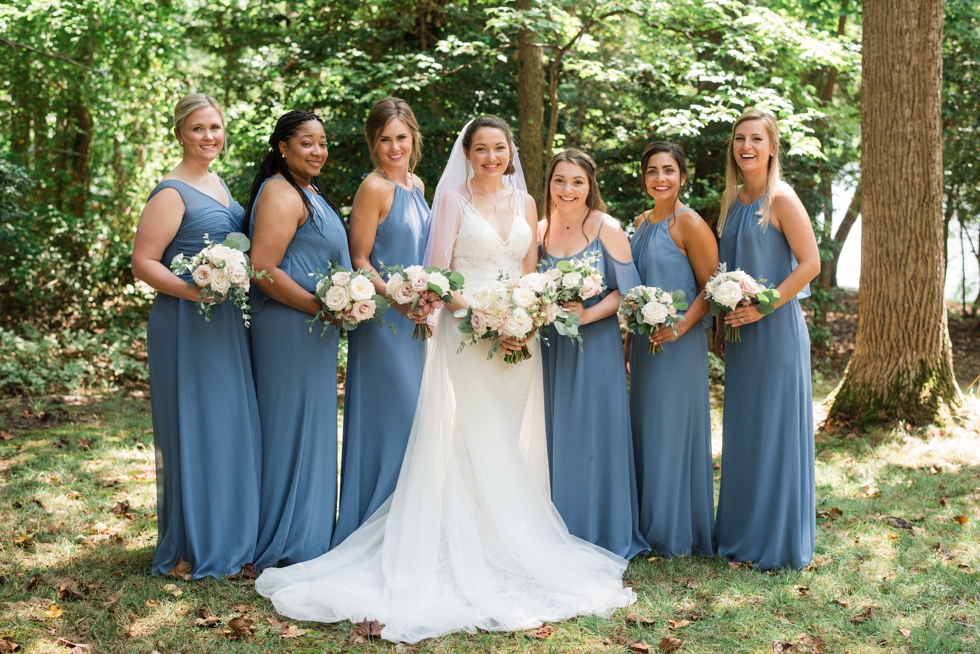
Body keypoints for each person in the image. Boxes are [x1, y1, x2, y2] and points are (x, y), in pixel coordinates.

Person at [256, 116, 635, 643]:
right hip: (467, 333)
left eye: (499, 148)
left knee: (509, 437)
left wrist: (524, 316)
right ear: (467, 152)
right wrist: (487, 315)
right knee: (468, 438)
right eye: (480, 148)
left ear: (510, 152)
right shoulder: (452, 201)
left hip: (521, 338)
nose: (491, 157)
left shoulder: (528, 205)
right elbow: (439, 275)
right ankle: (460, 544)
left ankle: (509, 541)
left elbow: (530, 273)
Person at [131, 93, 261, 578]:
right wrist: (194, 292)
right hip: (187, 321)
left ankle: (230, 534)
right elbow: (143, 261)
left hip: (224, 321)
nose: (210, 136)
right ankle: (190, 544)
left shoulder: (218, 183)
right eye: (199, 129)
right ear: (181, 133)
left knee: (225, 424)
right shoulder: (171, 191)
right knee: (195, 424)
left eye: (216, 127)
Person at [713, 108, 820, 570]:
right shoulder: (733, 201)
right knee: (746, 433)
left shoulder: (782, 198)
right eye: (740, 139)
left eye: (756, 138)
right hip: (740, 338)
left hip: (776, 333)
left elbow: (810, 264)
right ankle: (741, 536)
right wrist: (722, 321)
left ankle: (776, 543)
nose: (747, 147)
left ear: (772, 146)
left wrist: (764, 306)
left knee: (775, 432)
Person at [245, 110, 352, 569]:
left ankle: (308, 533)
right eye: (306, 142)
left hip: (314, 332)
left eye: (322, 142)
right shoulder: (280, 192)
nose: (318, 150)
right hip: (288, 328)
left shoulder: (310, 191)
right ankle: (285, 540)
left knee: (311, 429)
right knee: (289, 429)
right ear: (283, 146)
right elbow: (263, 269)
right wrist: (321, 308)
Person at [538, 149, 647, 559]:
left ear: (590, 186)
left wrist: (586, 316)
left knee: (594, 431)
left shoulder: (606, 227)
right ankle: (558, 526)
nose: (568, 189)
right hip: (551, 347)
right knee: (555, 431)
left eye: (577, 182)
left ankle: (601, 527)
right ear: (549, 183)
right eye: (560, 180)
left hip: (595, 344)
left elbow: (627, 291)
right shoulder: (539, 231)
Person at [333, 98, 430, 548]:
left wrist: (427, 297)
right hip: (385, 323)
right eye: (385, 139)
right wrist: (399, 298)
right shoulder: (373, 188)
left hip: (419, 323)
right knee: (397, 419)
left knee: (418, 424)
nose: (395, 147)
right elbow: (360, 260)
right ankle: (376, 526)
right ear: (374, 143)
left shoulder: (418, 184)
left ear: (414, 137)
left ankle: (411, 526)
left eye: (401, 138)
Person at [627, 142, 717, 558]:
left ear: (682, 176)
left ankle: (676, 532)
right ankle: (646, 526)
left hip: (680, 344)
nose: (659, 178)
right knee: (646, 430)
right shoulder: (640, 222)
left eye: (668, 170)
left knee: (671, 431)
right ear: (643, 177)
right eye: (651, 171)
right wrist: (630, 344)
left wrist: (679, 327)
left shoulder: (690, 223)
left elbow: (711, 287)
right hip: (645, 345)